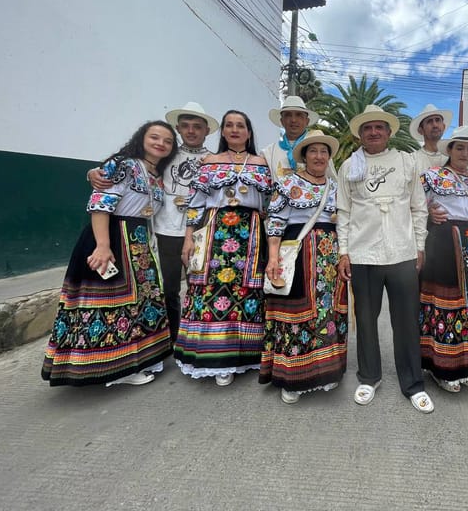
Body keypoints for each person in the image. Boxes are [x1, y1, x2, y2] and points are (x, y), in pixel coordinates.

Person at [42, 121, 178, 387]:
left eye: (167, 141)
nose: (160, 143)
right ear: (142, 138)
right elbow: (101, 204)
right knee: (113, 304)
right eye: (155, 137)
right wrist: (103, 245)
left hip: (138, 240)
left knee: (139, 303)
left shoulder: (156, 173)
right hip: (114, 237)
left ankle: (141, 359)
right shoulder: (123, 164)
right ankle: (118, 370)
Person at [89, 102, 219, 343]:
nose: (191, 131)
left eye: (197, 127)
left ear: (207, 130)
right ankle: (172, 339)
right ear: (179, 128)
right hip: (163, 230)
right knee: (167, 289)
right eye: (186, 126)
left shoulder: (214, 160)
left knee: (200, 287)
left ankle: (198, 338)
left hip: (201, 232)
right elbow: (126, 167)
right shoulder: (165, 156)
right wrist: (93, 172)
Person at [336, 105, 434, 413]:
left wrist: (419, 245)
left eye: (379, 127)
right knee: (365, 319)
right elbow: (344, 211)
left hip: (402, 254)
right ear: (360, 134)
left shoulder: (406, 163)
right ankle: (369, 376)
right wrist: (343, 252)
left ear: (389, 132)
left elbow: (419, 208)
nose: (374, 132)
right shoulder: (349, 167)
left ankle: (412, 383)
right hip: (363, 254)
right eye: (368, 128)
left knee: (406, 321)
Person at [176, 110, 272, 386]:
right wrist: (188, 237)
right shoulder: (209, 162)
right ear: (223, 132)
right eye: (229, 125)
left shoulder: (261, 163)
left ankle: (247, 354)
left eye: (240, 125)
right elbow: (195, 203)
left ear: (249, 132)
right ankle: (217, 359)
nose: (234, 129)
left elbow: (269, 203)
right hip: (215, 231)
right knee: (213, 290)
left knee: (247, 291)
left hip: (251, 233)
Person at [260, 130, 349, 403]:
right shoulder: (287, 184)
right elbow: (275, 222)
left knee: (328, 313)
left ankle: (326, 371)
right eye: (313, 151)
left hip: (329, 257)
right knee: (295, 312)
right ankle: (292, 377)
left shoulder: (336, 188)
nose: (319, 156)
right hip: (297, 253)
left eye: (324, 151)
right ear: (304, 156)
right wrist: (273, 258)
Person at [419, 126, 468, 394]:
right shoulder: (432, 177)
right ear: (449, 150)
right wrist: (428, 212)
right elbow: (414, 207)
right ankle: (444, 368)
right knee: (446, 304)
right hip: (444, 243)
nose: (465, 153)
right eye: (459, 147)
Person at [260, 95, 321, 179]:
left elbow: (331, 182)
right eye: (288, 115)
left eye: (299, 115)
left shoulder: (319, 150)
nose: (293, 120)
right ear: (282, 121)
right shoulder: (269, 153)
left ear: (307, 121)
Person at [409, 103, 451, 177]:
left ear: (443, 126)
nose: (435, 125)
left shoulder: (453, 158)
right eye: (429, 121)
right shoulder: (412, 160)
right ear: (421, 130)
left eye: (437, 120)